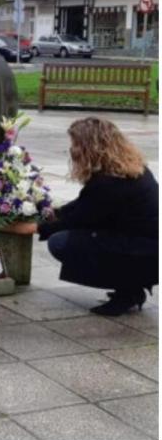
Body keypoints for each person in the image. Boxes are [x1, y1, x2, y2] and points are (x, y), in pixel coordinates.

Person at [38, 117, 158, 316]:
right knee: (92, 236)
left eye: (76, 144)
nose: (72, 150)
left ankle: (128, 291)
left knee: (61, 242)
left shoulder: (108, 183)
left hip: (148, 253)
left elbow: (79, 219)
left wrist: (37, 228)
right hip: (148, 245)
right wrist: (51, 212)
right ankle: (130, 287)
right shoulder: (131, 168)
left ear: (90, 147)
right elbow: (84, 206)